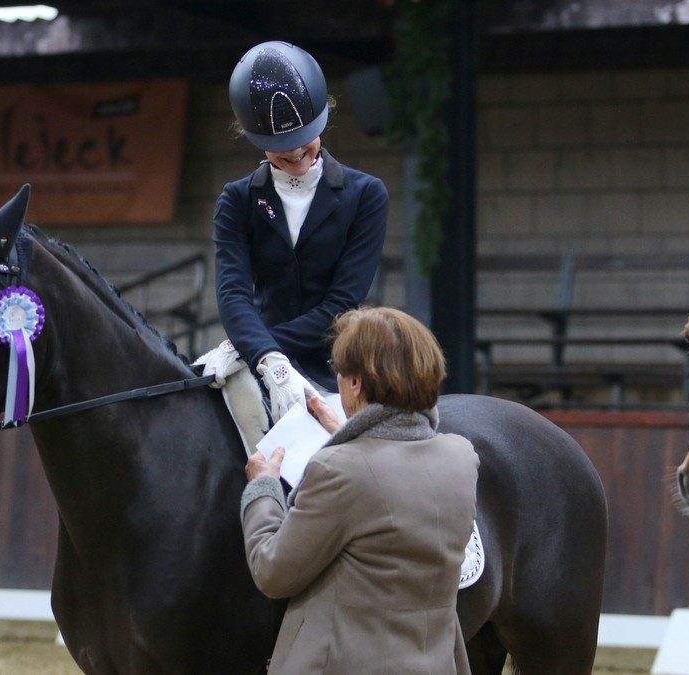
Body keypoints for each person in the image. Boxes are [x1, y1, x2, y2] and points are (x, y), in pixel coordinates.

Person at [239, 307, 479, 674]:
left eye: (340, 373)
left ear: (355, 384)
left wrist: (264, 488)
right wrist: (348, 435)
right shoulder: (461, 457)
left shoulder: (338, 470)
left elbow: (273, 572)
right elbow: (391, 482)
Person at [198, 41, 389, 422]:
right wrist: (264, 357)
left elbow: (343, 301)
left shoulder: (365, 194)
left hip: (341, 366)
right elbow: (233, 292)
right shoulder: (237, 200)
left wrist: (260, 348)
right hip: (260, 361)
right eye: (280, 146)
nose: (294, 152)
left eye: (304, 137)